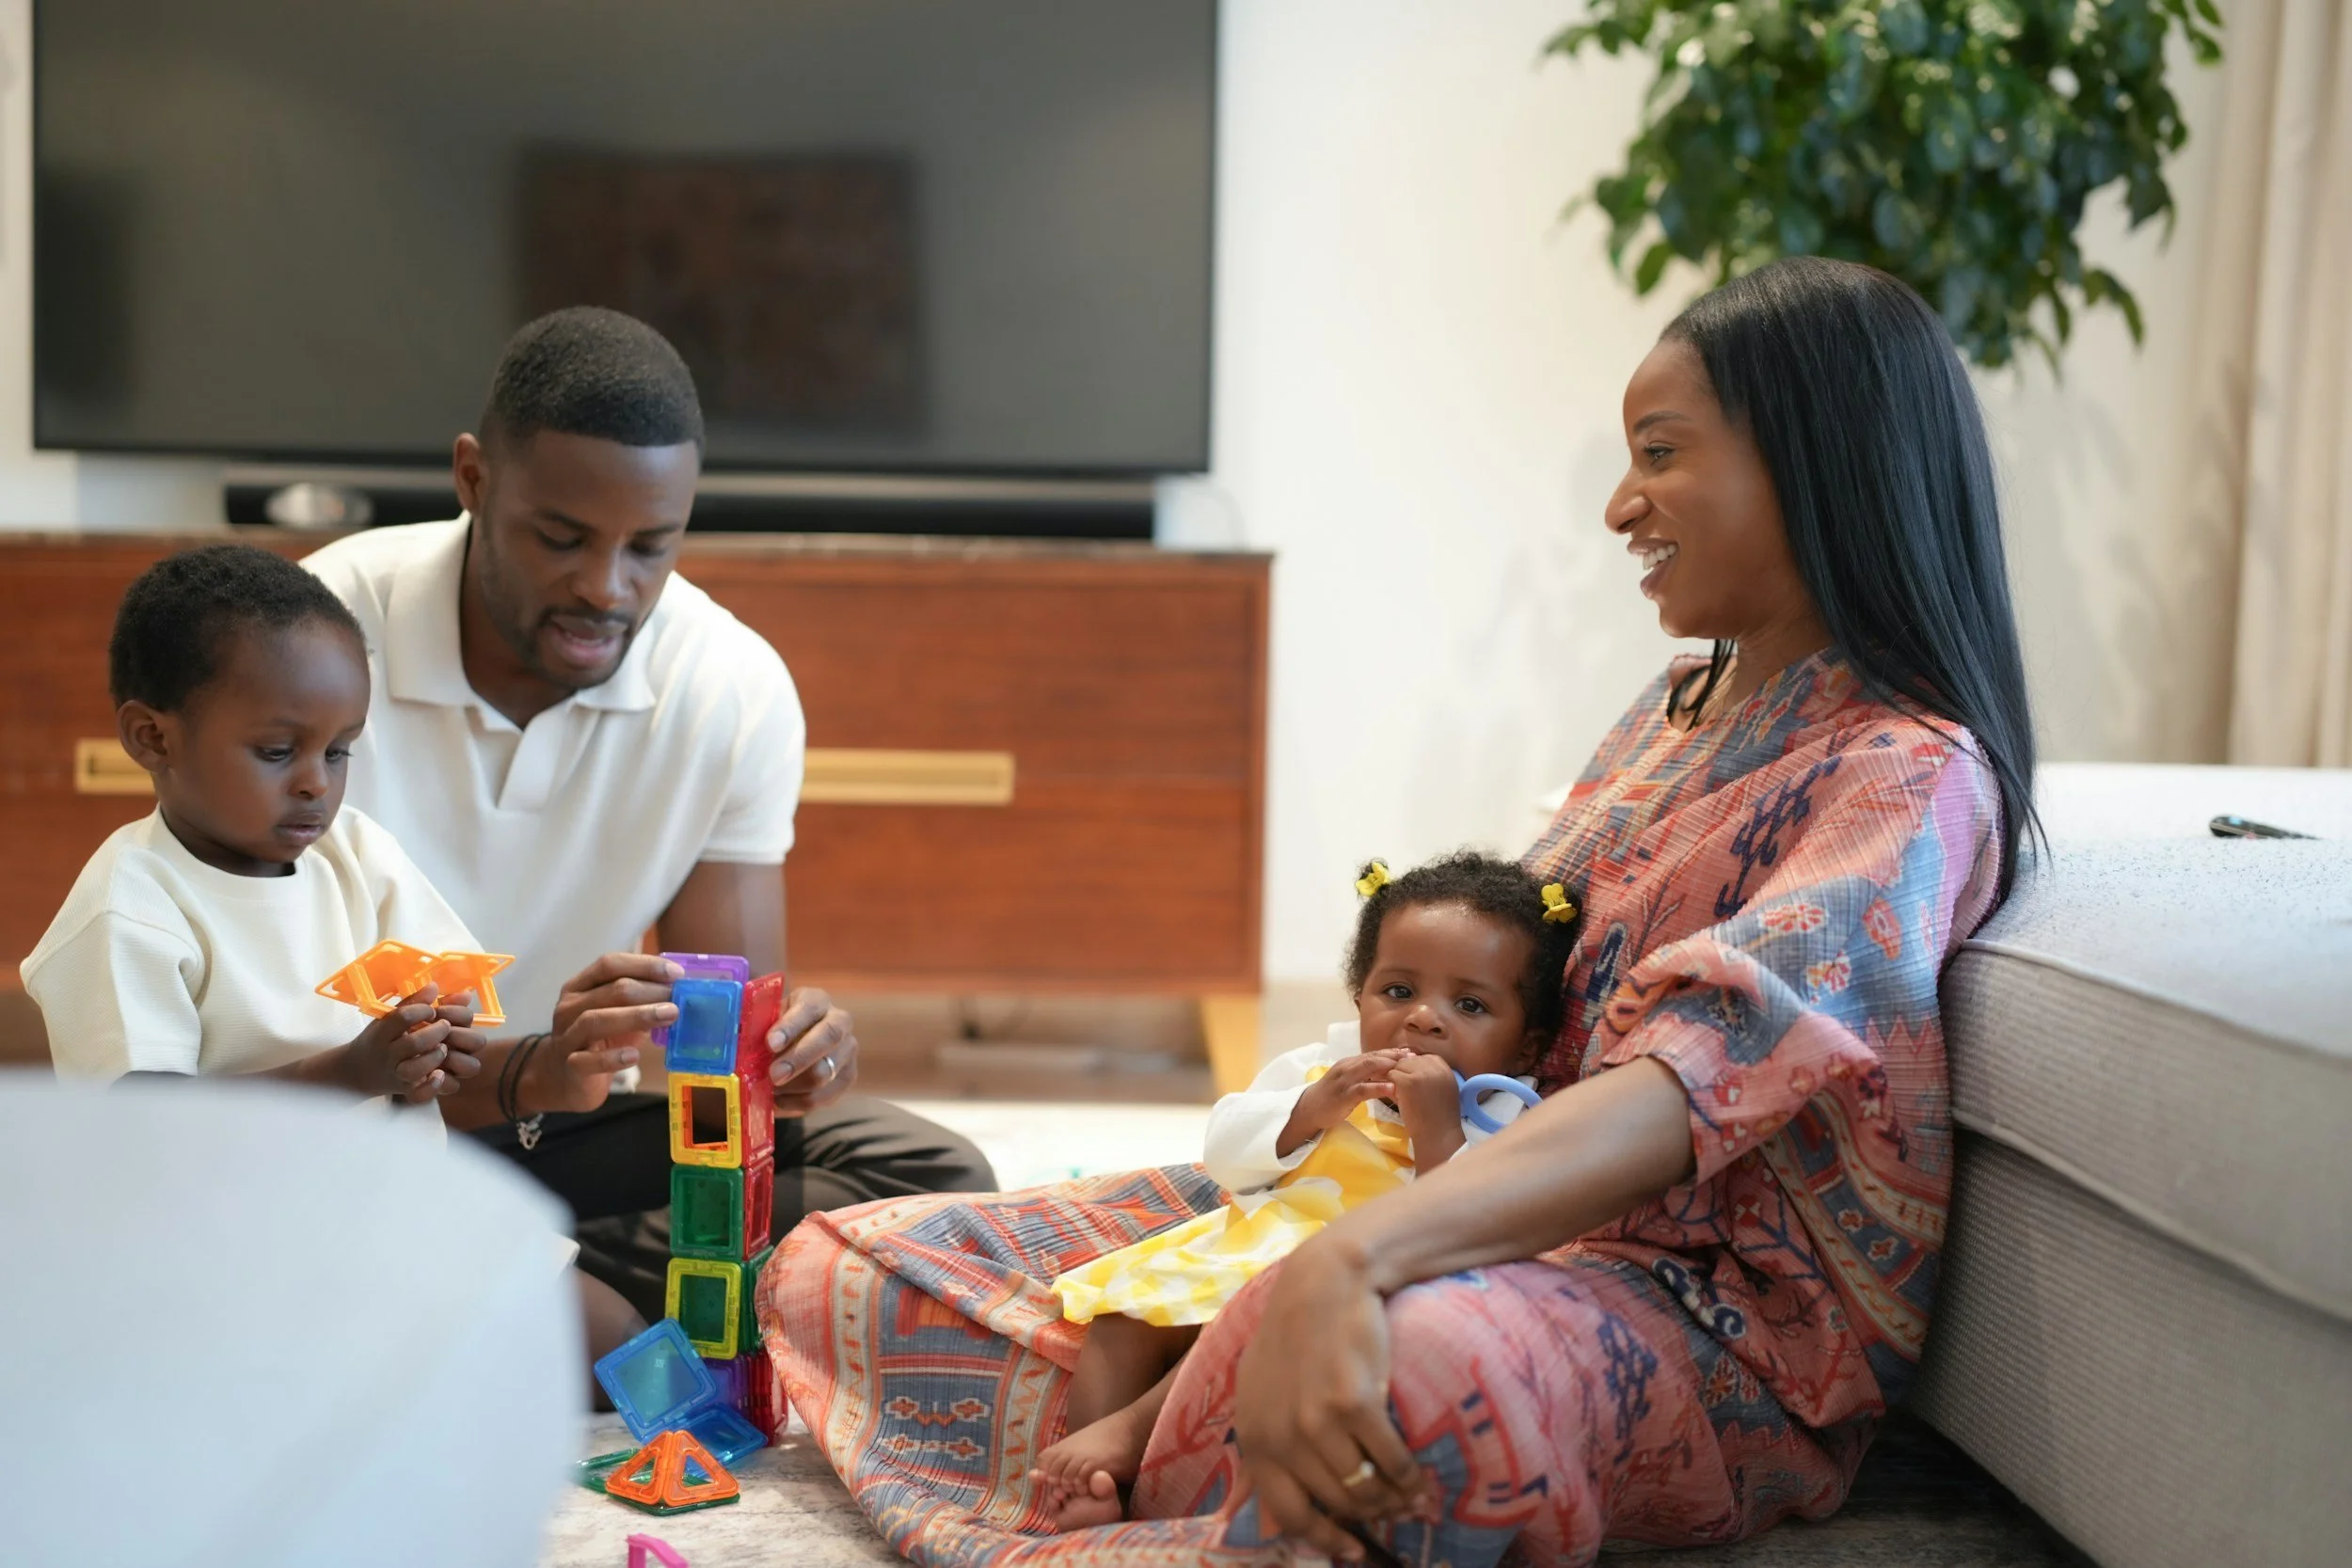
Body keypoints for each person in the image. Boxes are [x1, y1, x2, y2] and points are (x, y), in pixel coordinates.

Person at [765, 257, 2038, 1566]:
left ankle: (1205, 1442)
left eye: (1659, 453)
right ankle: (1208, 1453)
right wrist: (1326, 1186)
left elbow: (1684, 1085)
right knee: (850, 1260)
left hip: (1678, 1313)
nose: (1620, 504)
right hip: (1439, 1199)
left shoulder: (1905, 770)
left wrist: (1349, 1263)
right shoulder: (1671, 711)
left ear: (1818, 461)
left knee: (1410, 1376)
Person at [301, 307, 993, 1321]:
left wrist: (794, 1052)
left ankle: (496, 1289)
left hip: (538, 1135)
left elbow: (730, 1064)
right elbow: (264, 993)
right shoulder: (321, 632)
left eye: (650, 546)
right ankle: (532, 1294)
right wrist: (516, 1062)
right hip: (349, 1120)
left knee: (925, 1175)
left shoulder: (728, 686)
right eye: (562, 537)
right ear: (473, 480)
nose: (605, 587)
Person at [20, 543, 647, 1360]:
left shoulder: (356, 856)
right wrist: (350, 1073)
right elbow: (149, 1142)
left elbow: (441, 1068)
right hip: (230, 1271)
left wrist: (551, 1066)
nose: (318, 782)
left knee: (626, 1348)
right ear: (152, 737)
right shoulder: (131, 907)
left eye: (340, 748)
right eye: (278, 751)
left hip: (397, 1222)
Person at [1033, 851, 1580, 1529]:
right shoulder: (1318, 1069)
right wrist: (1311, 1105)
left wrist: (1437, 1129)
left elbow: (1474, 1226)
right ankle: (1095, 1481)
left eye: (1469, 1004)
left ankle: (1126, 1432)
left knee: (1250, 1320)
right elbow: (1226, 1152)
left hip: (1329, 1279)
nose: (1423, 1020)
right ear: (1359, 998)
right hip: (1242, 1248)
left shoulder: (1506, 1115)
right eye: (1398, 991)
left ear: (1526, 1047)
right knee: (1124, 1316)